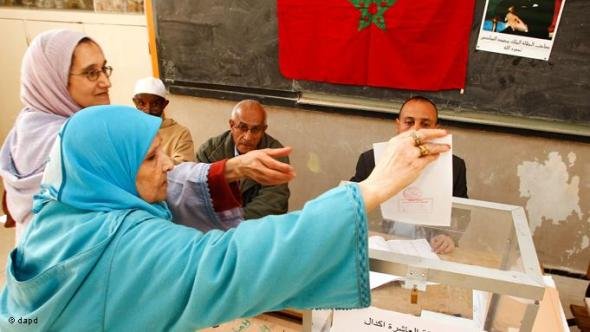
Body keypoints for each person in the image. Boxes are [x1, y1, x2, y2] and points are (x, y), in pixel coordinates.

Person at [0, 105, 450, 331]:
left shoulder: (56, 213)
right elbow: (235, 261)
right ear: (112, 168)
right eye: (152, 157)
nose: (170, 166)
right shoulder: (127, 247)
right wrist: (370, 190)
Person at [0, 29, 294, 243]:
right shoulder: (74, 141)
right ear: (51, 78)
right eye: (91, 73)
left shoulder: (24, 128)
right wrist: (231, 169)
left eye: (105, 69)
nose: (106, 81)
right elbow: (159, 180)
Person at [350, 96, 468, 254]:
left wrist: (449, 237)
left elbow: (462, 212)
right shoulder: (370, 160)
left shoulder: (455, 166)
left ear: (435, 129)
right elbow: (352, 205)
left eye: (425, 124)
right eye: (409, 122)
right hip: (381, 244)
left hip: (431, 249)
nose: (416, 130)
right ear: (397, 125)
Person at [196, 99, 290, 219]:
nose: (248, 137)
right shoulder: (208, 151)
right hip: (218, 225)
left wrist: (236, 222)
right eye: (242, 127)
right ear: (231, 125)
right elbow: (199, 195)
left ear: (264, 129)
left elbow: (274, 201)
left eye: (255, 130)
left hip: (257, 226)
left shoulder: (276, 154)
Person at [132, 77, 195, 164]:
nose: (148, 110)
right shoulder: (129, 131)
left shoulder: (181, 134)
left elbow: (184, 169)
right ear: (135, 102)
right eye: (141, 103)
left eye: (155, 104)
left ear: (164, 104)